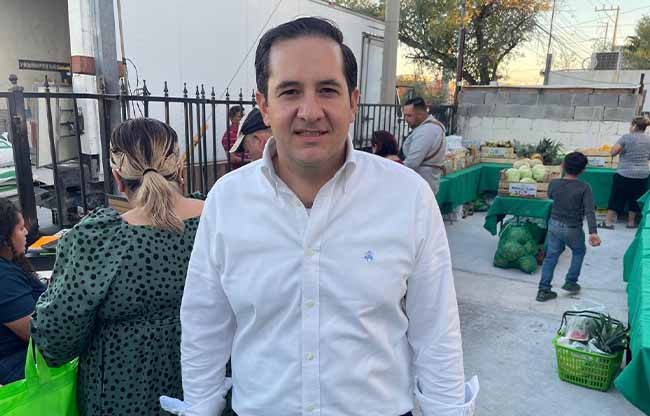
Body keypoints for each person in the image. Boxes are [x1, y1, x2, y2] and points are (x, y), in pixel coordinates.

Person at [178, 17, 477, 416]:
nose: (310, 111)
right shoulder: (227, 201)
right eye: (290, 91)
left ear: (352, 102)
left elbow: (436, 330)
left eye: (327, 90)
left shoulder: (407, 198)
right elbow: (204, 325)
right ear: (264, 105)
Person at [30, 118, 204, 415]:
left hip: (122, 400)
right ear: (180, 169)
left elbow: (55, 340)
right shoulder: (218, 220)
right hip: (210, 393)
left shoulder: (98, 240)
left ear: (118, 178)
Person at [536, 152, 601, 302]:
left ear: (563, 165)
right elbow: (590, 211)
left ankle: (543, 290)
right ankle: (571, 281)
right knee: (579, 251)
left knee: (551, 256)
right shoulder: (585, 187)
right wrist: (593, 232)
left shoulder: (553, 183)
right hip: (573, 228)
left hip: (554, 224)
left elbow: (551, 196)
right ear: (583, 170)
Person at [0, 198, 46, 385]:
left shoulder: (10, 265)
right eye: (20, 228)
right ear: (4, 238)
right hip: (18, 368)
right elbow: (38, 333)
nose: (26, 232)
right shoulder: (4, 278)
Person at [600, 116, 650, 229]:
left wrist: (623, 151)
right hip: (642, 174)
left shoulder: (626, 137)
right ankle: (631, 222)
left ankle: (608, 222)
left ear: (635, 126)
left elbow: (613, 152)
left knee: (616, 197)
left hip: (625, 173)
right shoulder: (649, 140)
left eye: (631, 125)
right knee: (636, 198)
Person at [401, 97, 447, 193]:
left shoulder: (427, 130)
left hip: (420, 185)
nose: (406, 119)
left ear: (421, 114)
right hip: (424, 183)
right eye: (405, 115)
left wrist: (395, 171)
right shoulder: (430, 127)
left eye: (409, 116)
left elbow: (412, 163)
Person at [222, 105, 246, 170]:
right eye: (240, 116)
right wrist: (251, 160)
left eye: (244, 116)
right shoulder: (228, 135)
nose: (243, 119)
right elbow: (232, 158)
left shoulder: (245, 131)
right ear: (231, 118)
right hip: (239, 170)